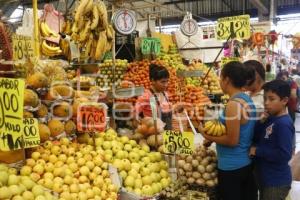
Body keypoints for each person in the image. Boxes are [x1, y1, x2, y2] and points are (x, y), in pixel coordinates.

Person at [200, 61, 257, 200]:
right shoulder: (247, 100)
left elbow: (232, 140)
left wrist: (205, 134)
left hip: (231, 167)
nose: (219, 81)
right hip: (245, 164)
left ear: (227, 80)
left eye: (220, 77)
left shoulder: (233, 105)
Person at [250, 80, 294, 200]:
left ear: (284, 100)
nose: (266, 103)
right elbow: (258, 137)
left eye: (271, 99)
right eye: (265, 99)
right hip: (266, 178)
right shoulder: (271, 118)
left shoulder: (283, 124)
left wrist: (258, 151)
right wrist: (260, 122)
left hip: (276, 183)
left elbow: (284, 154)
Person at [135, 64, 172, 130]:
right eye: (163, 82)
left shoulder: (165, 94)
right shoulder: (146, 96)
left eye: (167, 81)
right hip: (154, 135)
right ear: (153, 81)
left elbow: (167, 112)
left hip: (168, 135)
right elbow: (134, 113)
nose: (166, 85)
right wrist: (142, 125)